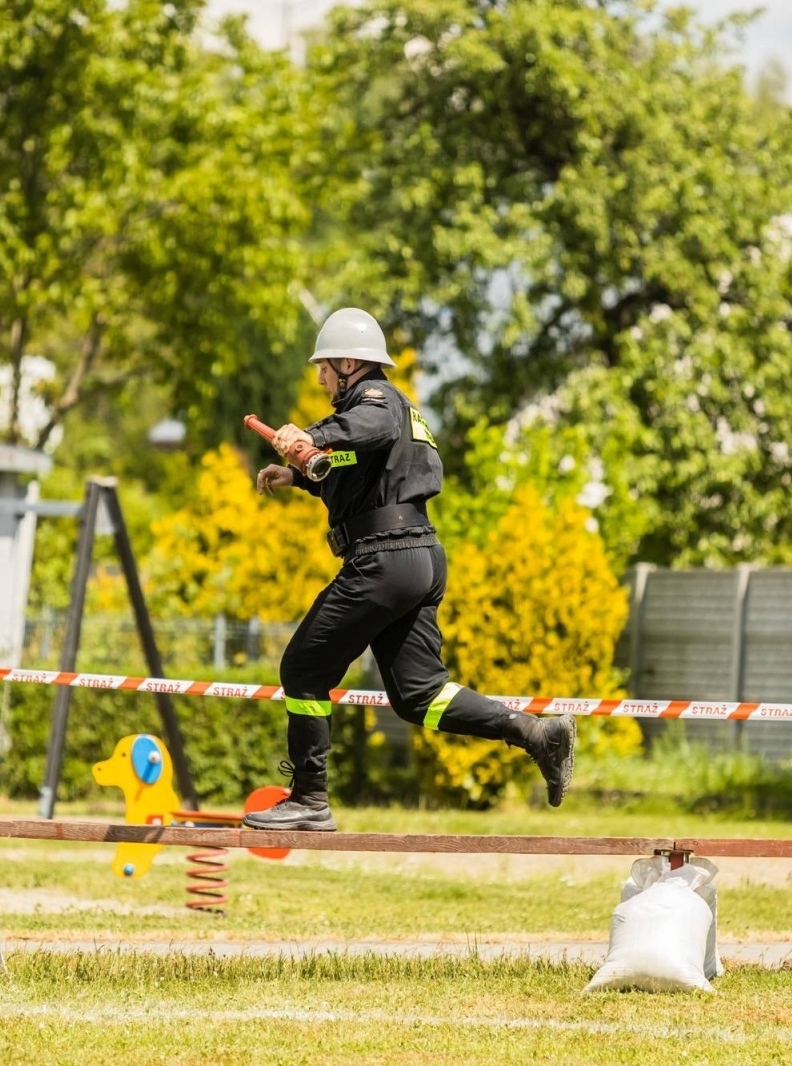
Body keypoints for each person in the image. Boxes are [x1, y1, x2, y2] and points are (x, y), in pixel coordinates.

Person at [242, 307, 576, 832]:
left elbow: (364, 428)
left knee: (303, 669)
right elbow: (358, 463)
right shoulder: (395, 414)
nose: (321, 377)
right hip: (416, 557)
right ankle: (535, 734)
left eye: (325, 367)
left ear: (351, 362)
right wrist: (299, 473)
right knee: (419, 696)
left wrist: (308, 433)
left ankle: (309, 796)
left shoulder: (376, 401)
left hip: (383, 556)